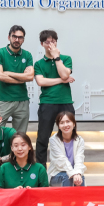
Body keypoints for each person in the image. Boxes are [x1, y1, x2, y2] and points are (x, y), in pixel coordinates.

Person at [34, 29, 74, 165]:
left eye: (53, 41)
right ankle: (41, 171)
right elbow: (41, 81)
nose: (51, 44)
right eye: (47, 42)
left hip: (65, 102)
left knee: (69, 137)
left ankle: (70, 169)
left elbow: (64, 74)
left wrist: (57, 57)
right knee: (42, 138)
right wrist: (62, 80)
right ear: (42, 44)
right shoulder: (38, 64)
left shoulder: (66, 59)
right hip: (47, 103)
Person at [0, 25, 34, 136]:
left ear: (23, 39)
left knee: (20, 135)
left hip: (22, 101)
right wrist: (21, 79)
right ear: (9, 37)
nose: (17, 39)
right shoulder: (0, 53)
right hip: (3, 100)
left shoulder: (27, 55)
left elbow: (30, 77)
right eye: (14, 36)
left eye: (20, 37)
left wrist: (9, 73)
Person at [46, 111, 86, 187]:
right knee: (68, 177)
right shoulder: (53, 140)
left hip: (73, 172)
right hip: (56, 174)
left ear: (74, 124)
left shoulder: (80, 140)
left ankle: (81, 196)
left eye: (68, 122)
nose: (65, 125)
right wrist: (73, 174)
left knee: (80, 179)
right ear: (58, 126)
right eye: (62, 123)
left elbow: (79, 159)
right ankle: (67, 196)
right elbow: (61, 161)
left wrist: (77, 173)